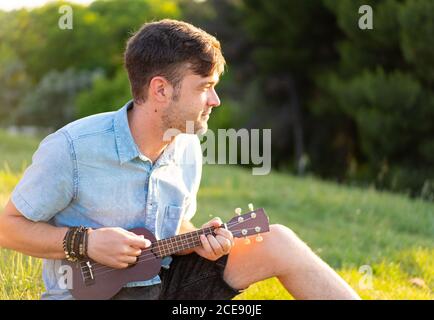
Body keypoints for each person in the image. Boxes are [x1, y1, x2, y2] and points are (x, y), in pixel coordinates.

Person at [0, 19, 360, 300]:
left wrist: (198, 239)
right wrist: (86, 243)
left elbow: (175, 225)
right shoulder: (72, 148)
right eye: (205, 87)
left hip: (163, 284)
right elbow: (7, 227)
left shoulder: (187, 145)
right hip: (87, 294)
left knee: (276, 238)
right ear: (160, 89)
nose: (215, 100)